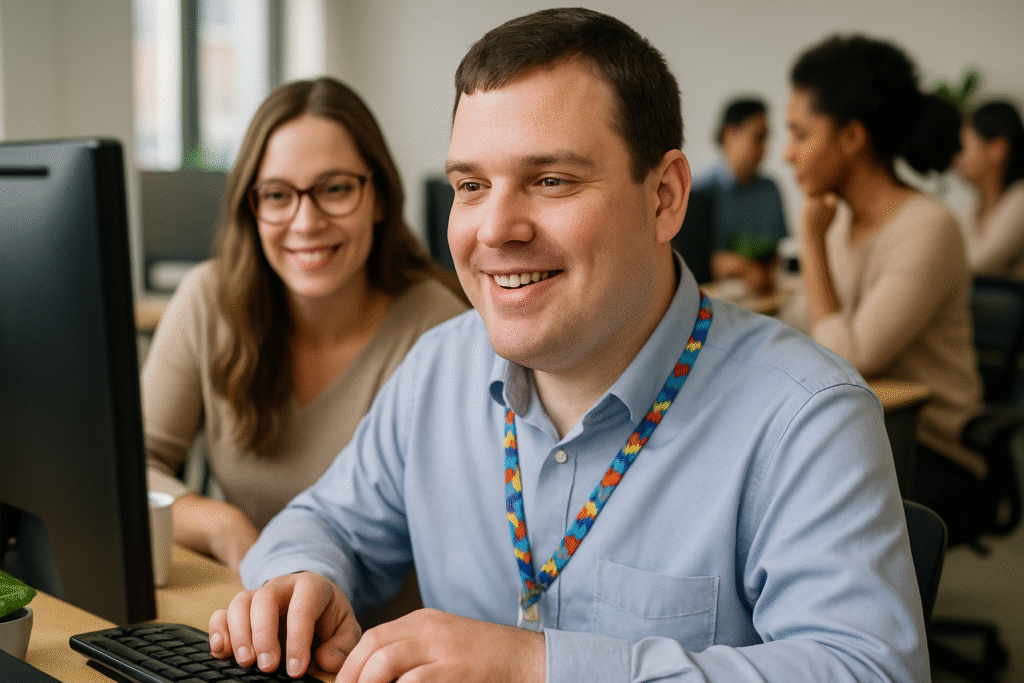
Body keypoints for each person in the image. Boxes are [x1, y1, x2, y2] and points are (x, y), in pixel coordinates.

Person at [210, 10, 928, 683]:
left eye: (550, 179)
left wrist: (538, 666)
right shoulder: (438, 367)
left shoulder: (807, 414)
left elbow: (869, 669)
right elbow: (325, 520)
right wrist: (298, 577)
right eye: (471, 184)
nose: (493, 230)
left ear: (666, 196)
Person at [143, 77, 468, 575]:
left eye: (335, 189)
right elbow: (128, 469)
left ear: (379, 197)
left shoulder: (440, 330)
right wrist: (221, 525)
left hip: (375, 639)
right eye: (277, 195)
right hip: (251, 616)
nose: (306, 221)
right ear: (252, 208)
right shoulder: (209, 299)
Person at [783, 35, 985, 529]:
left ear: (852, 138)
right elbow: (795, 328)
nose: (788, 154)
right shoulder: (841, 223)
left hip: (927, 447)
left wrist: (810, 243)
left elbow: (850, 360)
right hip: (858, 432)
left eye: (801, 133)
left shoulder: (927, 227)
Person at [694, 97, 788, 294]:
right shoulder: (698, 193)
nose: (765, 148)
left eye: (767, 138)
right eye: (758, 137)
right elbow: (693, 261)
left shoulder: (770, 189)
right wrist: (743, 269)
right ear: (729, 134)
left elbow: (778, 249)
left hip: (767, 296)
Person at [954, 99, 1024, 278]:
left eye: (963, 147)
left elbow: (977, 264)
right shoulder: (971, 206)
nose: (956, 157)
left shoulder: (1020, 198)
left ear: (997, 149)